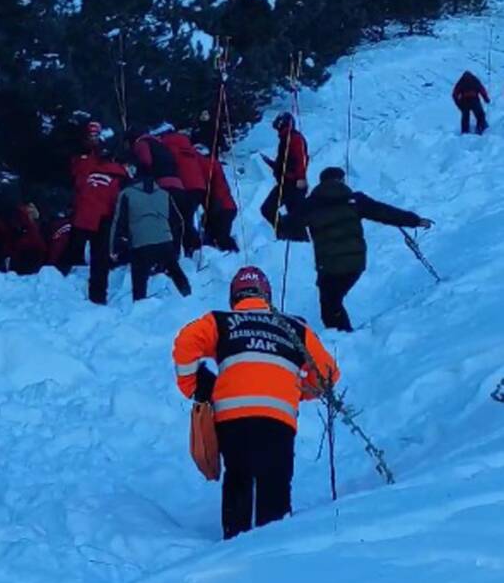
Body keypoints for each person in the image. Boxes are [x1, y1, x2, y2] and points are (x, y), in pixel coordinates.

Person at [172, 266, 339, 539]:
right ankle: (272, 553)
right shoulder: (295, 327)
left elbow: (186, 341)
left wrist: (196, 387)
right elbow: (327, 374)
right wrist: (298, 391)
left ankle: (234, 542)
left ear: (233, 297)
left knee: (238, 477)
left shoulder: (221, 321)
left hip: (232, 419)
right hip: (278, 420)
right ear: (268, 296)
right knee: (275, 485)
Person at [296, 167, 433, 332]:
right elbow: (385, 212)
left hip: (328, 265)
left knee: (330, 304)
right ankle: (343, 335)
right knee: (333, 301)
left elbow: (285, 225)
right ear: (341, 180)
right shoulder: (355, 200)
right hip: (356, 262)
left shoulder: (309, 206)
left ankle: (342, 337)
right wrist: (415, 221)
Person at [110, 174, 191, 301]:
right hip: (165, 241)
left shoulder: (126, 194)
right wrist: (175, 247)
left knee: (139, 280)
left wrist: (114, 248)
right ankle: (189, 297)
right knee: (175, 271)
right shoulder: (164, 194)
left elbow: (118, 222)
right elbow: (178, 222)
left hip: (140, 244)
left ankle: (140, 306)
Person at [67, 147, 129, 304]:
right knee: (100, 259)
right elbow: (118, 202)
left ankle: (61, 279)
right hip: (103, 218)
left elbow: (79, 188)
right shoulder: (118, 177)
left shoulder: (91, 172)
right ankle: (98, 297)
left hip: (81, 216)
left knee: (72, 251)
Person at [260, 112, 309, 240]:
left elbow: (300, 158)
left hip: (293, 184)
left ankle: (299, 241)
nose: (277, 130)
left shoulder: (293, 138)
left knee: (295, 216)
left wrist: (300, 177)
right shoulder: (285, 139)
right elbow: (287, 163)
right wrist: (273, 164)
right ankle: (285, 233)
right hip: (286, 182)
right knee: (269, 209)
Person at [158, 128, 207, 255]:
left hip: (184, 186)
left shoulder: (167, 146)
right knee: (187, 217)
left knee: (182, 219)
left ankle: (193, 247)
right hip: (199, 186)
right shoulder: (187, 146)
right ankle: (192, 247)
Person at [195, 147, 239, 252]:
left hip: (222, 207)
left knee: (219, 236)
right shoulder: (214, 164)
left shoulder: (205, 165)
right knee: (216, 234)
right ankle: (230, 253)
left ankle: (232, 255)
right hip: (226, 207)